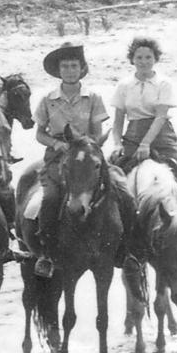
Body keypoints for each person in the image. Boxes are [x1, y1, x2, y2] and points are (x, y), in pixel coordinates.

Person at [30, 44, 111, 278]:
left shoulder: (93, 98)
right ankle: (46, 252)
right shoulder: (48, 99)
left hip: (87, 157)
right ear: (58, 71)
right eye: (65, 66)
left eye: (74, 66)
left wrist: (86, 146)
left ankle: (124, 248)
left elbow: (97, 132)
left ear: (82, 69)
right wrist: (57, 144)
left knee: (118, 188)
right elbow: (39, 133)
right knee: (51, 197)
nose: (69, 70)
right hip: (58, 158)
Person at [109, 36, 177, 210]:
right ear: (132, 60)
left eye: (148, 57)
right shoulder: (124, 85)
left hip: (162, 138)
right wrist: (116, 143)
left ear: (155, 59)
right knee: (107, 179)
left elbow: (160, 116)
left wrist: (146, 144)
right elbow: (118, 119)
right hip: (133, 139)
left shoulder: (163, 83)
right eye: (139, 58)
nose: (143, 62)